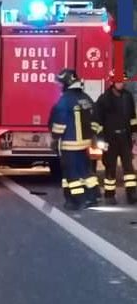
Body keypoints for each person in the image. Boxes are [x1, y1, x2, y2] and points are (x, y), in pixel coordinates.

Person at [48, 69, 101, 210]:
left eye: (61, 84)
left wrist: (54, 137)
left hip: (70, 144)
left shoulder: (65, 100)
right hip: (84, 144)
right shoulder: (85, 97)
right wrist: (92, 134)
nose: (60, 86)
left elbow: (59, 123)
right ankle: (93, 196)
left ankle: (77, 200)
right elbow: (96, 119)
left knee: (71, 174)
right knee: (86, 171)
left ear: (66, 83)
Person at [94, 71, 137, 205]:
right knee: (110, 167)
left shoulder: (128, 97)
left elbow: (132, 118)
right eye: (119, 81)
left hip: (125, 138)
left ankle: (131, 193)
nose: (122, 84)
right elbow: (96, 122)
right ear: (112, 82)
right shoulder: (104, 99)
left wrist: (134, 133)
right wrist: (101, 138)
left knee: (129, 167)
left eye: (123, 81)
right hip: (109, 139)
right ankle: (109, 194)